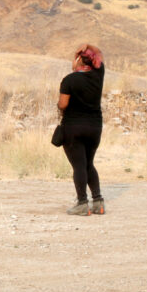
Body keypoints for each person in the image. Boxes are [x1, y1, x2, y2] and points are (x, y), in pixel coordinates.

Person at [58, 43, 106, 216]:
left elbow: (63, 104)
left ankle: (82, 203)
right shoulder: (98, 75)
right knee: (88, 164)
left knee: (79, 166)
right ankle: (98, 202)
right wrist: (89, 46)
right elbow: (99, 54)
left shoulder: (69, 80)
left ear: (79, 60)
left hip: (74, 127)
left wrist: (59, 105)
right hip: (95, 127)